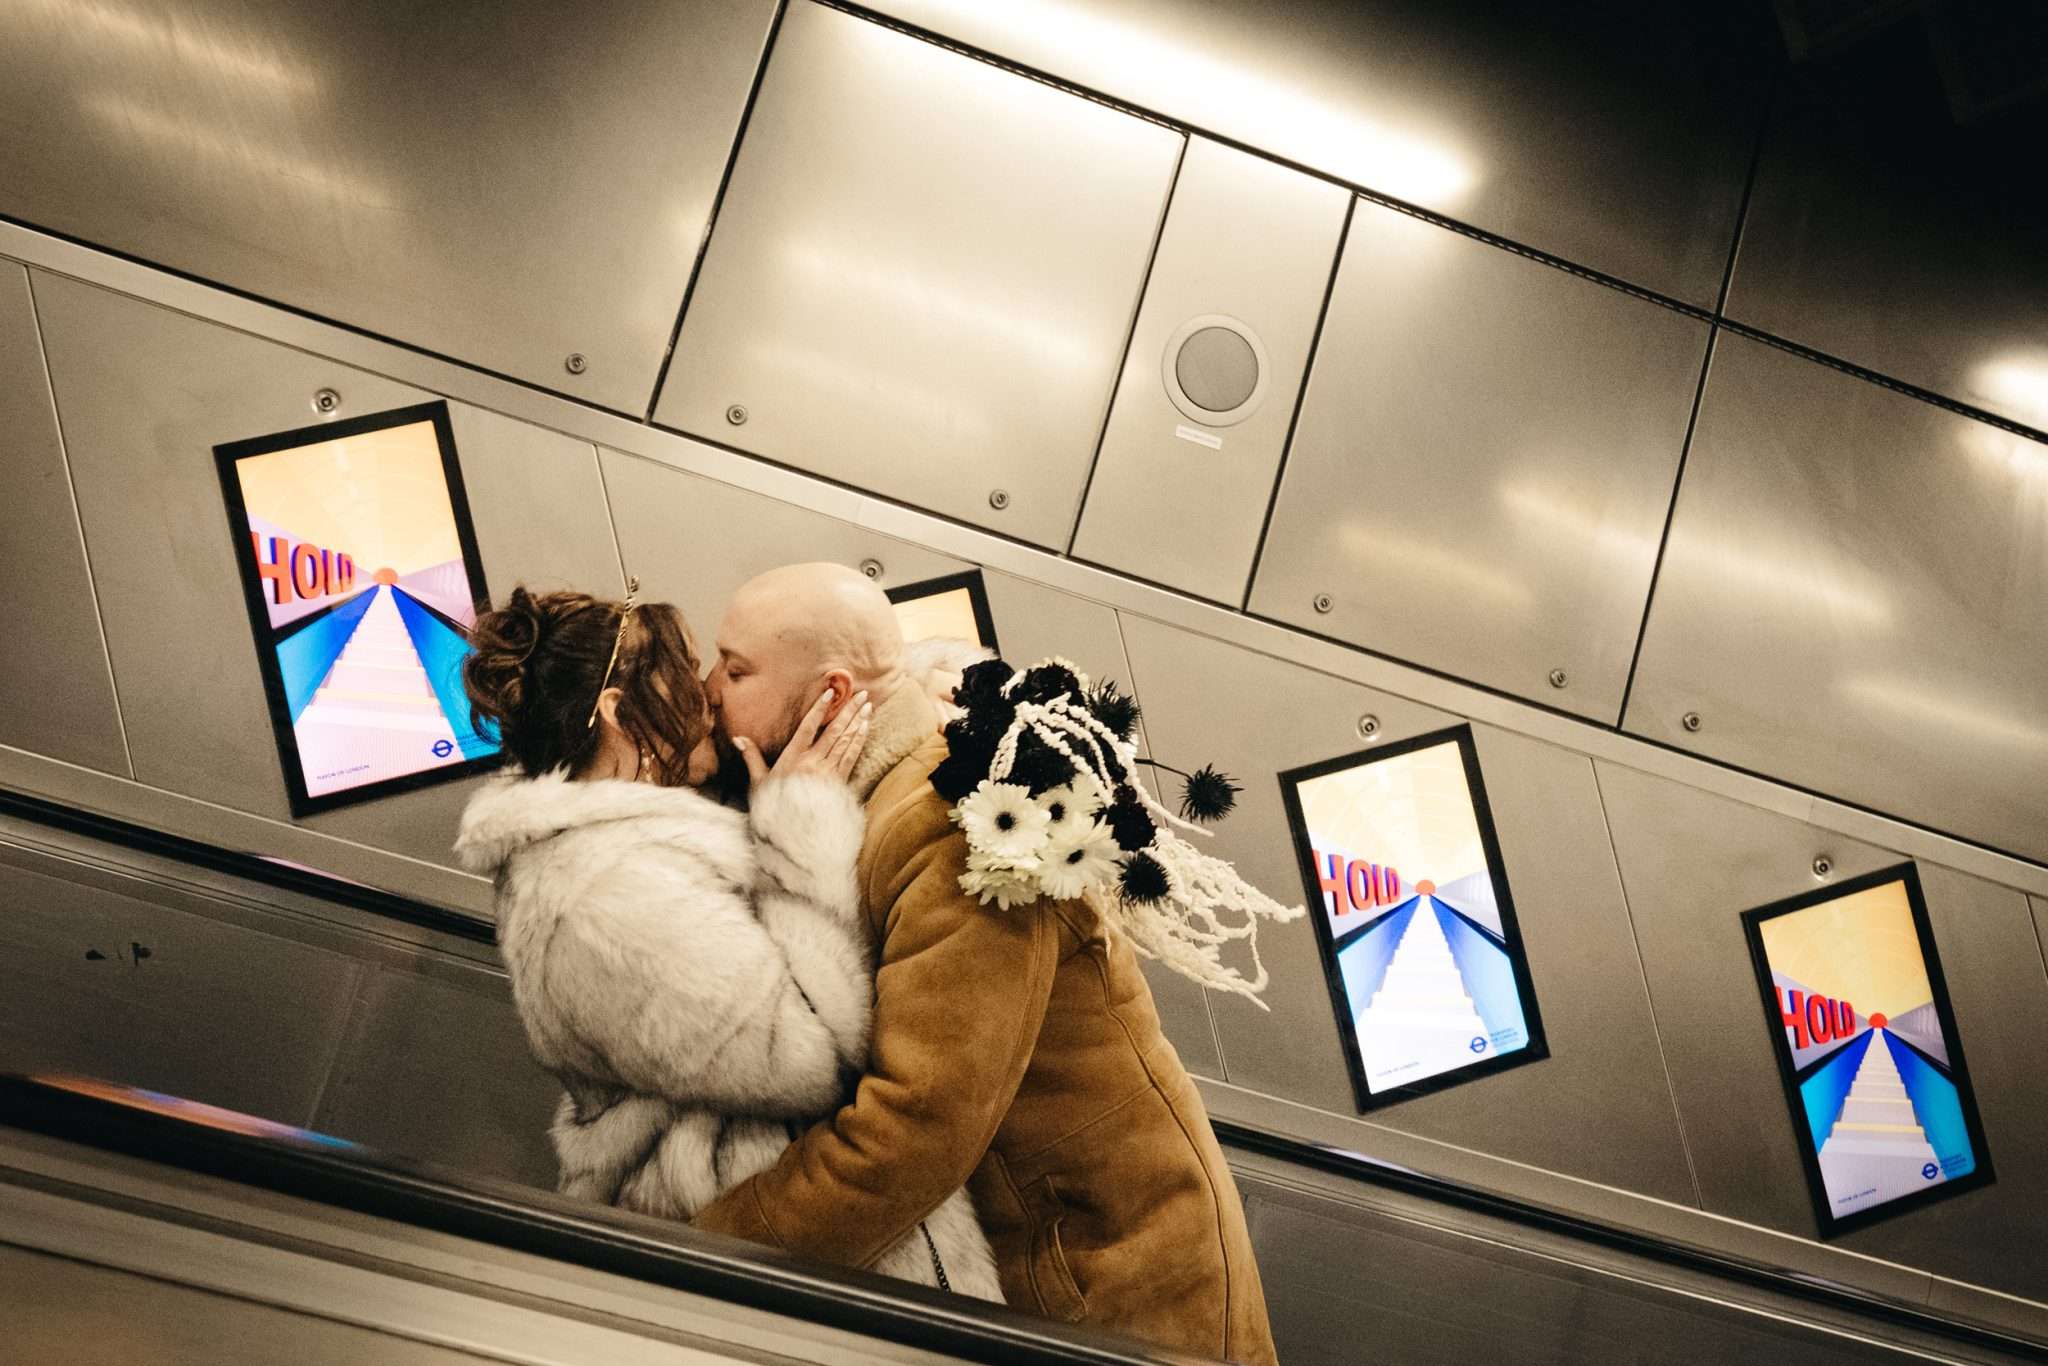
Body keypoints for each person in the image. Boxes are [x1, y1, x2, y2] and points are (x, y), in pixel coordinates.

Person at [693, 562, 1280, 1366]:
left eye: (735, 671)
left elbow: (916, 1124)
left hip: (1113, 1284)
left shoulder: (951, 830)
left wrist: (705, 1249)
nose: (709, 691)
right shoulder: (877, 802)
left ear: (832, 696)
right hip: (1060, 1270)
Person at [451, 583, 1001, 1299]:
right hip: (762, 1271)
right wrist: (801, 823)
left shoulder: (644, 827)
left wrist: (902, 683)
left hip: (791, 1242)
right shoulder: (602, 897)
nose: (708, 693)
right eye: (683, 676)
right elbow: (813, 1054)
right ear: (618, 714)